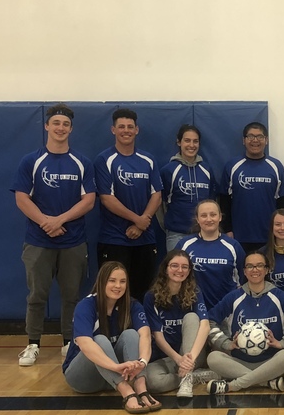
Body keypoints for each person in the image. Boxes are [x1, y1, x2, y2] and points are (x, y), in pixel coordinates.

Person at [12, 103, 96, 366]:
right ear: (47, 126)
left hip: (73, 240)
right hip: (38, 241)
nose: (61, 128)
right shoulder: (31, 161)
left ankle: (70, 341)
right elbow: (22, 198)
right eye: (56, 123)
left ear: (71, 129)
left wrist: (60, 220)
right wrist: (46, 223)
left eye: (65, 124)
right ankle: (33, 343)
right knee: (37, 295)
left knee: (72, 295)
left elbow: (89, 200)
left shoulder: (81, 163)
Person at [205, 252, 284, 394]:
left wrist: (283, 342)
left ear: (267, 270)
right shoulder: (234, 297)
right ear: (244, 271)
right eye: (250, 266)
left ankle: (232, 386)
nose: (255, 270)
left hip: (270, 361)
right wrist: (226, 343)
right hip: (239, 361)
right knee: (213, 358)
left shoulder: (278, 295)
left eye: (259, 266)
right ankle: (264, 381)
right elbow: (209, 321)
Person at [62, 261, 161, 414]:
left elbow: (145, 335)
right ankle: (126, 391)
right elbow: (85, 344)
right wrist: (114, 367)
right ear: (102, 282)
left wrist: (143, 362)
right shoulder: (86, 306)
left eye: (122, 281)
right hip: (83, 379)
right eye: (112, 281)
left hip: (113, 376)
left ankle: (141, 387)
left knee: (131, 334)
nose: (118, 286)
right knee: (99, 340)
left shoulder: (132, 305)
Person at [95, 108, 163, 302]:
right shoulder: (104, 160)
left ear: (137, 130)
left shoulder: (148, 160)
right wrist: (137, 220)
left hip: (145, 239)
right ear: (113, 130)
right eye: (121, 127)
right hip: (115, 239)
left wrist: (144, 222)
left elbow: (156, 194)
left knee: (143, 292)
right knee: (113, 293)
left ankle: (141, 332)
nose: (126, 130)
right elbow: (107, 198)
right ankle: (113, 331)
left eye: (130, 127)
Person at [143, 250, 218, 398]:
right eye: (174, 266)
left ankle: (187, 376)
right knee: (153, 383)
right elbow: (157, 337)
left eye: (184, 267)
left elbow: (205, 326)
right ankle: (192, 377)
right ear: (166, 268)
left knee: (191, 317)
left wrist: (189, 360)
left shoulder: (195, 292)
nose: (179, 270)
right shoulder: (151, 297)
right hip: (167, 356)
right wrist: (179, 360)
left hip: (193, 354)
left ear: (189, 271)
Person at [220, 122, 284, 253]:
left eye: (260, 137)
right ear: (244, 140)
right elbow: (224, 202)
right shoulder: (232, 166)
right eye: (251, 136)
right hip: (239, 237)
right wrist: (227, 229)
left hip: (269, 236)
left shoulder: (276, 166)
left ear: (266, 140)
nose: (255, 141)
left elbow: (283, 204)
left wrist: (282, 232)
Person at [176, 200, 245, 310]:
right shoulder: (184, 245)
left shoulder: (233, 246)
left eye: (213, 215)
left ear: (220, 217)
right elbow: (175, 276)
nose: (209, 219)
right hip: (193, 309)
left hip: (227, 311)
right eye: (203, 215)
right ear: (197, 219)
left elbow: (242, 279)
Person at [160, 124, 217, 251]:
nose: (191, 145)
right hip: (176, 234)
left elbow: (212, 202)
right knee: (177, 270)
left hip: (203, 234)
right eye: (187, 140)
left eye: (195, 141)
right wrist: (168, 223)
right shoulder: (168, 170)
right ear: (179, 142)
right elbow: (159, 203)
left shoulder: (206, 170)